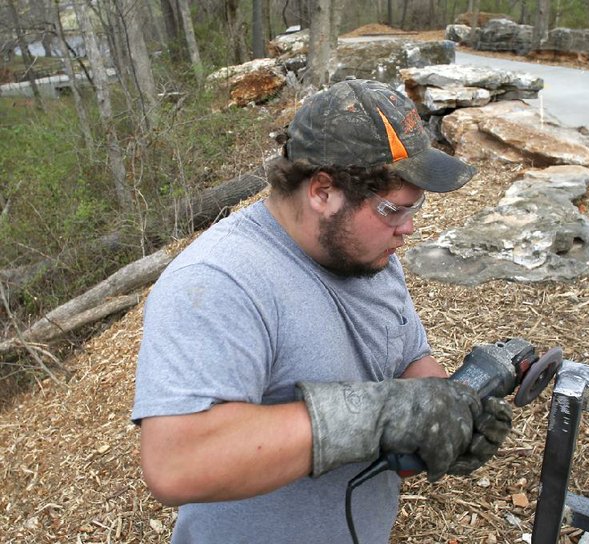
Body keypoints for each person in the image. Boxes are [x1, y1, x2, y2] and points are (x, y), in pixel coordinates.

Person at [132, 79, 513, 543]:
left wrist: (449, 416)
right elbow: (177, 464)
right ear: (323, 192)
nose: (407, 228)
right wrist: (378, 414)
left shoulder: (366, 253)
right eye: (394, 209)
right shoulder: (218, 280)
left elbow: (409, 361)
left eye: (415, 208)